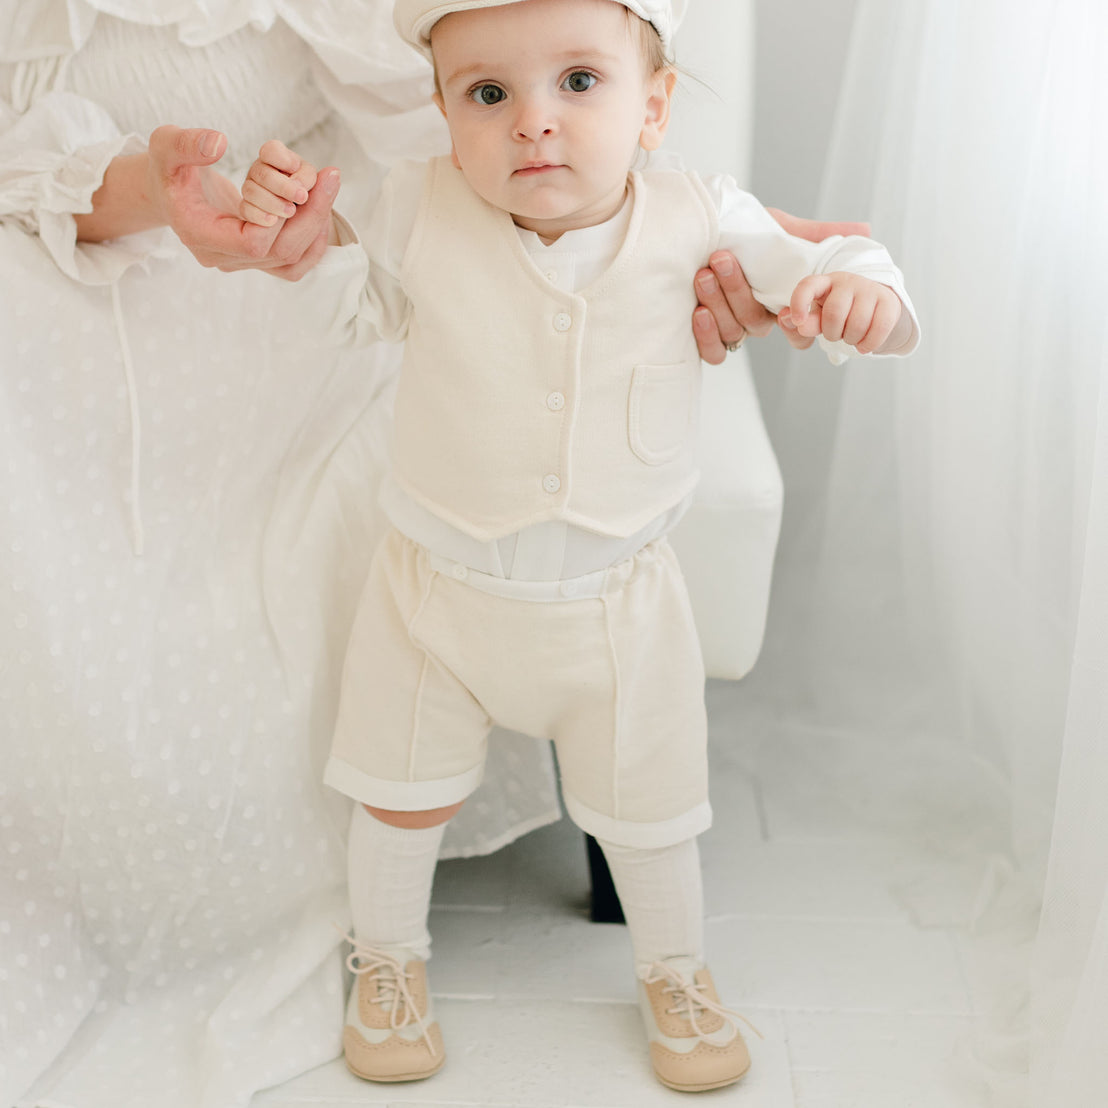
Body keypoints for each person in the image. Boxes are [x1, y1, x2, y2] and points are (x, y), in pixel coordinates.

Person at [244, 0, 920, 1094]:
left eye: (579, 82)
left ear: (653, 105)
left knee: (652, 818)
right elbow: (339, 285)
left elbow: (836, 254)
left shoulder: (700, 216)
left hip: (618, 605)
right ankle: (388, 959)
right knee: (395, 797)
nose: (533, 125)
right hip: (435, 597)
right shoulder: (416, 204)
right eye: (489, 94)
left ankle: (675, 971)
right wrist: (295, 238)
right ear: (443, 112)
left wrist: (862, 296)